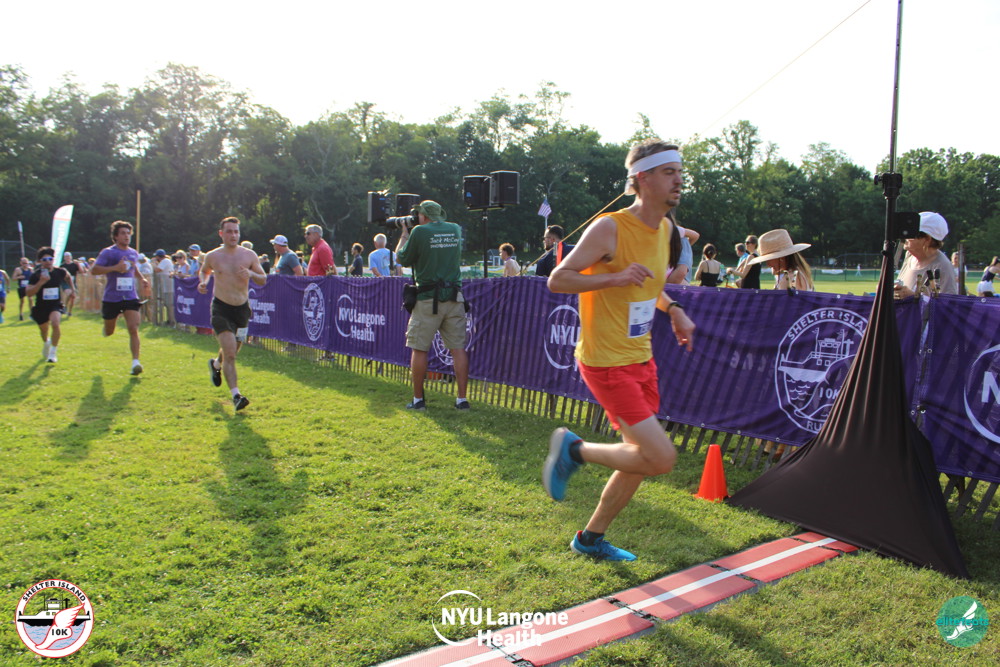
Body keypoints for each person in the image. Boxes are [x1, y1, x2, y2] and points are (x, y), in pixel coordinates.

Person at [543, 139, 695, 562]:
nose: (678, 180)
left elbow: (649, 285)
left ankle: (590, 539)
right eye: (668, 172)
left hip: (641, 358)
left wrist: (674, 309)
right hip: (606, 361)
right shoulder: (609, 227)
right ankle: (574, 450)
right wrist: (613, 278)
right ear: (642, 178)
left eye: (680, 172)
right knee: (660, 458)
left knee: (637, 460)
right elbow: (559, 279)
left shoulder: (666, 230)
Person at [395, 200, 470, 411]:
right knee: (458, 349)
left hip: (428, 298)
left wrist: (404, 235)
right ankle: (462, 400)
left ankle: (418, 400)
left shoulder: (419, 231)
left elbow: (401, 258)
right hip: (454, 297)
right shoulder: (454, 229)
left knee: (419, 348)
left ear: (423, 215)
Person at [199, 217, 267, 412]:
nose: (233, 235)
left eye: (236, 231)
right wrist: (203, 282)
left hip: (242, 309)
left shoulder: (249, 255)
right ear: (221, 234)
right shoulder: (213, 256)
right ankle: (236, 396)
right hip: (221, 308)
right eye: (229, 231)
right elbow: (204, 271)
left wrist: (251, 274)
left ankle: (215, 364)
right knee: (230, 353)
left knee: (232, 351)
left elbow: (263, 279)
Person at [91, 221, 149, 374]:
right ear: (116, 236)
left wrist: (142, 278)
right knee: (110, 331)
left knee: (133, 328)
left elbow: (133, 268)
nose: (126, 236)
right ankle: (106, 328)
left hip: (130, 296)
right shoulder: (108, 252)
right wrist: (115, 268)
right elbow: (94, 270)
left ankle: (135, 363)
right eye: (123, 233)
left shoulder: (133, 253)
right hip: (111, 297)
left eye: (128, 233)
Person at [894, 212, 958, 298]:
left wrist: (913, 297)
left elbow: (948, 304)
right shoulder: (910, 256)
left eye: (911, 234)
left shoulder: (943, 266)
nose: (905, 237)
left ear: (927, 239)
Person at [25, 247, 67, 363]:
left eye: (50, 259)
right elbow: (28, 293)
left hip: (55, 304)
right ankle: (46, 342)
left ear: (53, 259)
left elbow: (68, 277)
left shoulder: (60, 271)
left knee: (55, 323)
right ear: (40, 262)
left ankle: (53, 353)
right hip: (41, 306)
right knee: (44, 330)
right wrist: (41, 282)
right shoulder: (36, 275)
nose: (48, 261)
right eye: (44, 260)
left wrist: (72, 290)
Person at [747, 229, 815, 291]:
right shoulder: (798, 273)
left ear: (781, 258)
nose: (768, 264)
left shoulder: (790, 278)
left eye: (769, 259)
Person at [153, 248, 175, 324]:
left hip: (169, 286)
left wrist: (153, 263)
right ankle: (169, 319)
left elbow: (157, 270)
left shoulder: (165, 261)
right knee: (167, 304)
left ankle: (172, 321)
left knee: (169, 304)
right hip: (165, 286)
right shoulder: (164, 261)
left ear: (158, 256)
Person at [60, 252, 80, 318]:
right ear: (64, 258)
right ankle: (65, 307)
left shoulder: (74, 265)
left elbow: (81, 271)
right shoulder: (62, 266)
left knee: (73, 297)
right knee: (69, 293)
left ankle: (69, 311)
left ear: (71, 257)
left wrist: (78, 264)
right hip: (65, 282)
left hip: (73, 282)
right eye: (66, 256)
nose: (68, 258)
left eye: (69, 256)